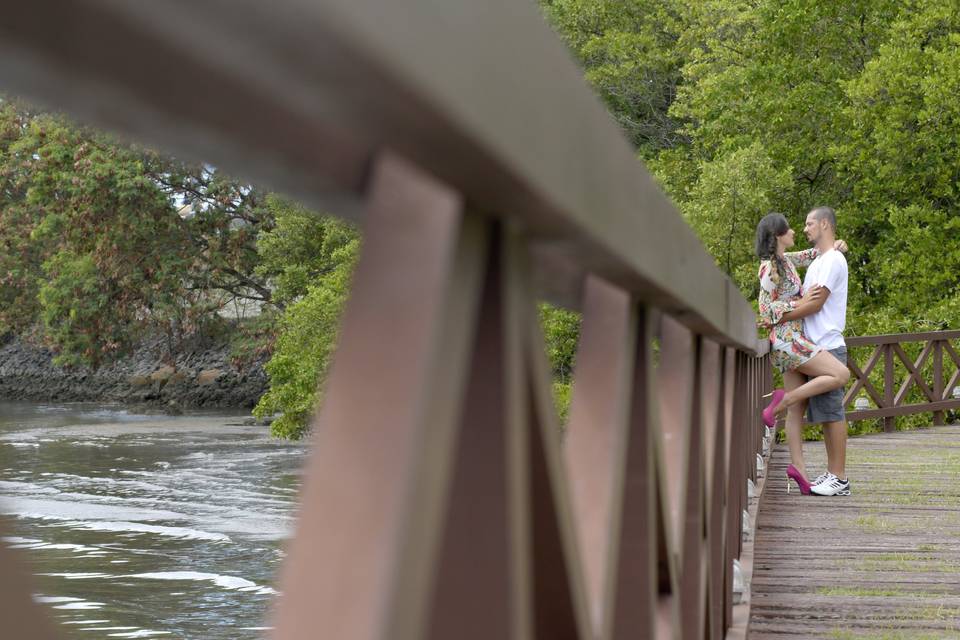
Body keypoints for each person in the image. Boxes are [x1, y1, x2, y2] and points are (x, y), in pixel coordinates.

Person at [754, 212, 850, 495]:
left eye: (807, 224)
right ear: (778, 235)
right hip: (789, 340)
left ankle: (800, 470)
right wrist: (798, 302)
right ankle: (782, 400)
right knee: (840, 374)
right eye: (790, 229)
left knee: (797, 412)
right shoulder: (768, 268)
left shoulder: (786, 260)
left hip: (796, 338)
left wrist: (837, 246)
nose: (796, 230)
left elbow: (814, 252)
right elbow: (764, 311)